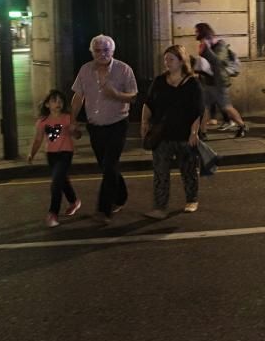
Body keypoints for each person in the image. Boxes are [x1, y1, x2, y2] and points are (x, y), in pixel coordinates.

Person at [71, 34, 138, 224]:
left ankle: (103, 209)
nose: (102, 54)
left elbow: (133, 97)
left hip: (117, 124)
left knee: (109, 166)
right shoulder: (85, 70)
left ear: (113, 51)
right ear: (92, 52)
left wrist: (116, 94)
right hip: (95, 127)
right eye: (98, 50)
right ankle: (121, 195)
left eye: (106, 50)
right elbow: (78, 97)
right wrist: (72, 120)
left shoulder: (124, 69)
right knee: (107, 166)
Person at [141, 45, 204, 220]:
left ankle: (192, 199)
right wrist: (144, 122)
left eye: (171, 59)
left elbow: (198, 111)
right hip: (162, 136)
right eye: (165, 59)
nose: (167, 62)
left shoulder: (192, 84)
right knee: (160, 173)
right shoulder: (159, 81)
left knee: (188, 170)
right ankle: (160, 207)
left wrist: (194, 133)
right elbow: (148, 103)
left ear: (181, 61)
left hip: (184, 135)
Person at [27, 89, 82, 227]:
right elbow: (38, 140)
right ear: (47, 105)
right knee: (62, 181)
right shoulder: (43, 122)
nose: (58, 103)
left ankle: (53, 213)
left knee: (56, 182)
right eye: (54, 101)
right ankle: (74, 201)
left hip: (66, 153)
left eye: (60, 101)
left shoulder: (68, 117)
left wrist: (74, 131)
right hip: (51, 155)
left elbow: (78, 135)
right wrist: (31, 154)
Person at [194, 23, 248, 138]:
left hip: (219, 82)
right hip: (208, 81)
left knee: (226, 106)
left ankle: (242, 126)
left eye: (197, 31)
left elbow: (218, 61)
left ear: (203, 31)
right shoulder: (205, 44)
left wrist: (206, 50)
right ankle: (202, 132)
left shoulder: (220, 44)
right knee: (205, 107)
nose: (195, 33)